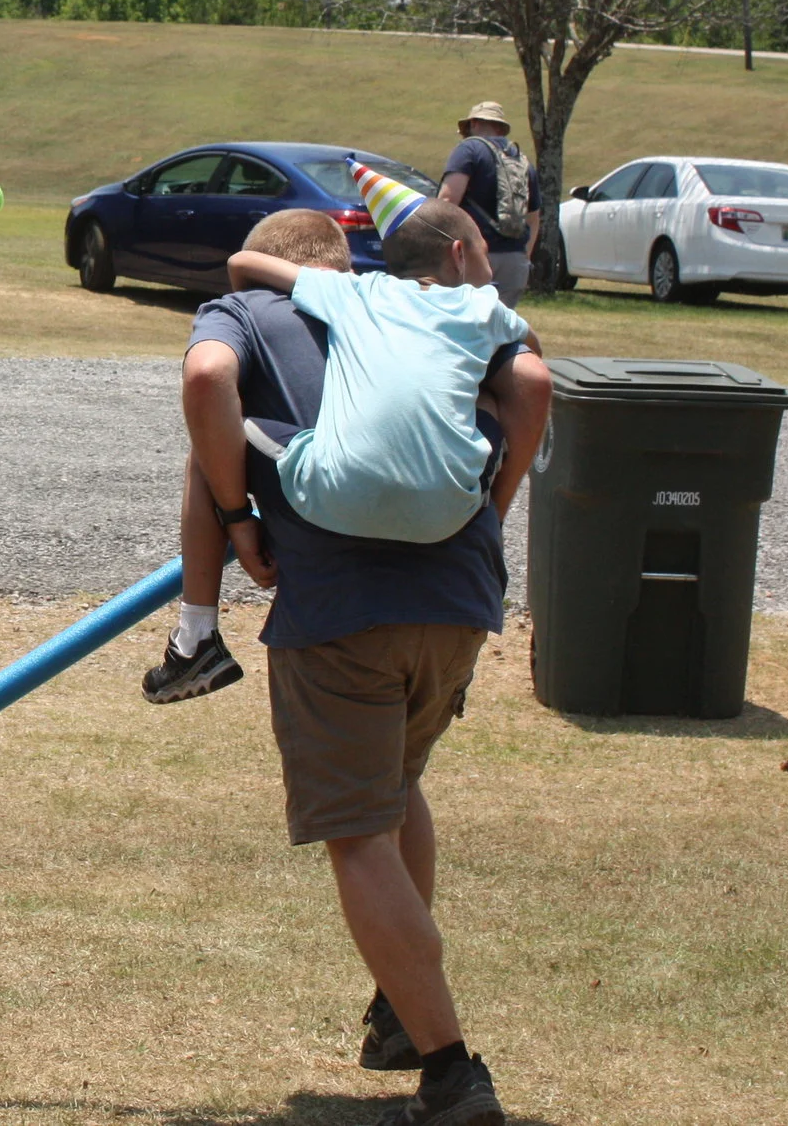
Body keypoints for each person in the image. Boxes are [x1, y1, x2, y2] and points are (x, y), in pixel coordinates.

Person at [179, 200, 551, 1125]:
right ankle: (397, 1010)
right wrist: (495, 508)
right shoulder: (447, 312)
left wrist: (235, 519)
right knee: (393, 789)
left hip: (342, 607)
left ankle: (451, 1066)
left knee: (354, 826)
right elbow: (534, 382)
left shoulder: (259, 310)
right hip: (459, 598)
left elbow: (206, 377)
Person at [228, 189, 534, 549]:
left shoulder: (355, 290)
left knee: (222, 419)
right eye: (484, 250)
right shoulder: (482, 305)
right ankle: (491, 515)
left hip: (331, 502)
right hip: (445, 518)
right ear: (459, 254)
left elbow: (243, 261)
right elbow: (533, 358)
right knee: (489, 402)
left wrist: (248, 308)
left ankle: (233, 526)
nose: (491, 266)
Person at [142, 209, 348, 703]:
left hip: (328, 547)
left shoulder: (244, 307)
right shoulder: (390, 308)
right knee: (398, 774)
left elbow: (207, 375)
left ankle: (196, 635)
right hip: (445, 563)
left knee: (211, 438)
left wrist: (238, 518)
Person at [437, 101, 540, 307]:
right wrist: (523, 256)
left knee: (465, 327)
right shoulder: (522, 160)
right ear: (501, 128)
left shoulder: (469, 149)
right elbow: (533, 218)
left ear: (473, 123)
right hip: (515, 260)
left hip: (475, 257)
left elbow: (447, 201)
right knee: (500, 330)